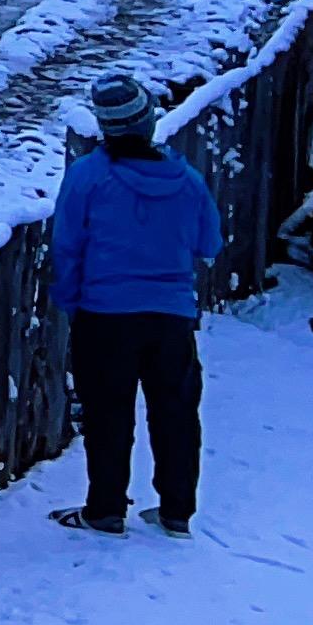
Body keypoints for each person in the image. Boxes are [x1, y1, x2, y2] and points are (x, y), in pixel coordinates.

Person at [48, 69, 222, 536]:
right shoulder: (186, 180)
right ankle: (176, 512)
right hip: (171, 319)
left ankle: (105, 510)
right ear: (148, 122)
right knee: (176, 412)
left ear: (106, 128)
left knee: (108, 413)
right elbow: (210, 243)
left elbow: (67, 246)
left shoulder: (87, 177)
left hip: (104, 316)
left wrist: (70, 302)